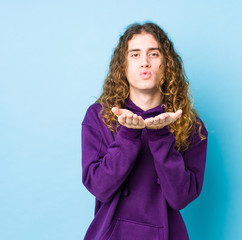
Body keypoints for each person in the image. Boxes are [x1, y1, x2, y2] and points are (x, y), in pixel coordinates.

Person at [81, 22, 208, 240]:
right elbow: (100, 187)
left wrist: (160, 136)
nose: (145, 63)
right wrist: (128, 135)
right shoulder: (99, 117)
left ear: (167, 64)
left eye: (154, 54)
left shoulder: (190, 124)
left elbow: (180, 198)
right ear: (123, 66)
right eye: (135, 55)